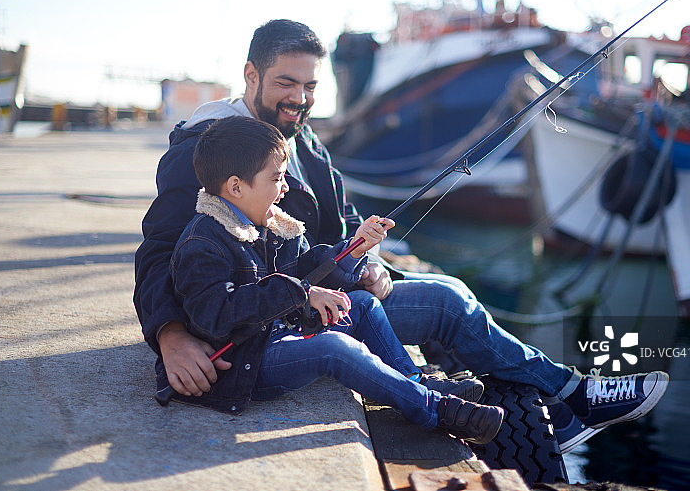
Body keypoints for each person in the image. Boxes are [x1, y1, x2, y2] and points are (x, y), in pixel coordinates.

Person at [134, 19, 669, 444]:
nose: (300, 98)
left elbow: (338, 225)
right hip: (263, 319)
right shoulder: (207, 148)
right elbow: (160, 251)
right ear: (251, 77)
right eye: (285, 83)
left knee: (452, 293)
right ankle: (569, 396)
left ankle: (564, 400)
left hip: (324, 293)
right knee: (449, 304)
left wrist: (366, 260)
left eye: (311, 85)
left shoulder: (306, 143)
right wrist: (171, 336)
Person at [166, 115, 504, 443]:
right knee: (334, 348)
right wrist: (302, 293)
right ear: (236, 187)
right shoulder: (202, 244)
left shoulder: (269, 223)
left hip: (277, 332)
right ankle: (435, 409)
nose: (285, 188)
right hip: (247, 362)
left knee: (363, 304)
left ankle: (415, 381)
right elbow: (217, 314)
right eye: (276, 178)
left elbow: (307, 265)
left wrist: (354, 249)